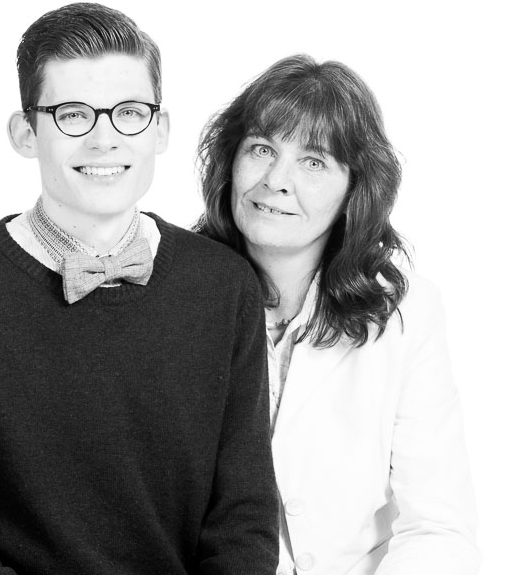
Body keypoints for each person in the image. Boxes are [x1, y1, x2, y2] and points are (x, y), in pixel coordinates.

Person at [0, 2, 278, 575]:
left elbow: (244, 521)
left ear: (161, 130)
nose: (104, 139)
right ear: (25, 133)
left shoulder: (224, 284)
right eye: (73, 114)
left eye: (129, 113)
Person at [195, 54, 479, 575]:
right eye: (261, 149)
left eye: (314, 162)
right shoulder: (175, 294)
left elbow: (438, 529)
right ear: (230, 161)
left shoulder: (407, 313)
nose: (277, 181)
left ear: (355, 189)